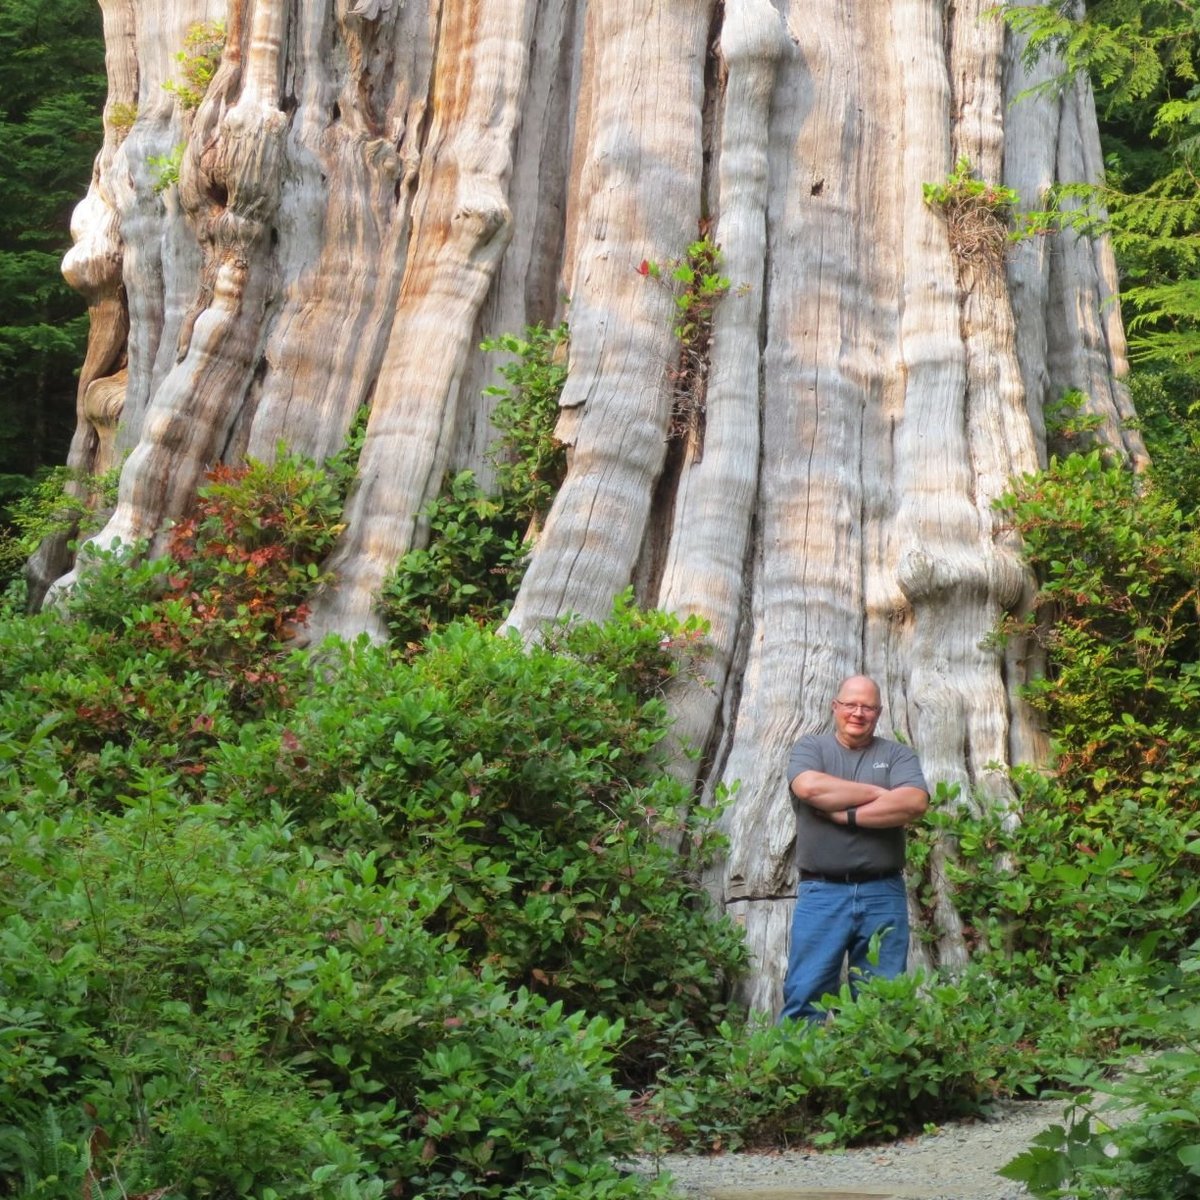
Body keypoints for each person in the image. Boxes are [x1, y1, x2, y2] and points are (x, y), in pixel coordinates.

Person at [780, 674, 929, 1023]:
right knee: (806, 993)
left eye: (868, 707)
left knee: (881, 999)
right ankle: (795, 1076)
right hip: (822, 892)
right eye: (850, 704)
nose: (858, 713)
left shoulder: (897, 754)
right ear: (836, 707)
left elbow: (914, 803)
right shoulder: (811, 748)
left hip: (883, 892)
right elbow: (811, 789)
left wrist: (846, 815)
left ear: (879, 713)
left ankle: (872, 1078)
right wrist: (880, 793)